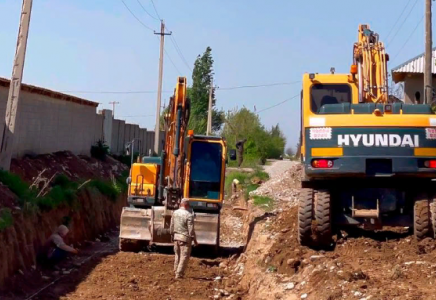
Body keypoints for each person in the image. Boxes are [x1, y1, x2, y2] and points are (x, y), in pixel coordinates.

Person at [170, 198, 198, 279]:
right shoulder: (189, 215)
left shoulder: (175, 213)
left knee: (177, 255)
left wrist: (172, 235)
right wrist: (194, 240)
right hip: (185, 239)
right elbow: (191, 230)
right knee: (184, 256)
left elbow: (172, 226)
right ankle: (179, 274)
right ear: (187, 205)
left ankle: (175, 270)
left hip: (176, 237)